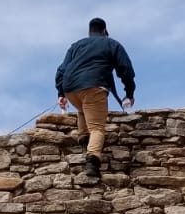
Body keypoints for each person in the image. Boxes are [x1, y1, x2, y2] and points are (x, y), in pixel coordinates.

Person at [55, 17, 136, 178]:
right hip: (94, 87)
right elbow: (125, 69)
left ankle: (84, 140)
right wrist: (129, 93)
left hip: (70, 88)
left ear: (89, 32)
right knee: (97, 128)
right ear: (105, 31)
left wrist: (61, 93)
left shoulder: (76, 46)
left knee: (84, 110)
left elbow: (61, 70)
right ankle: (92, 162)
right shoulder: (112, 44)